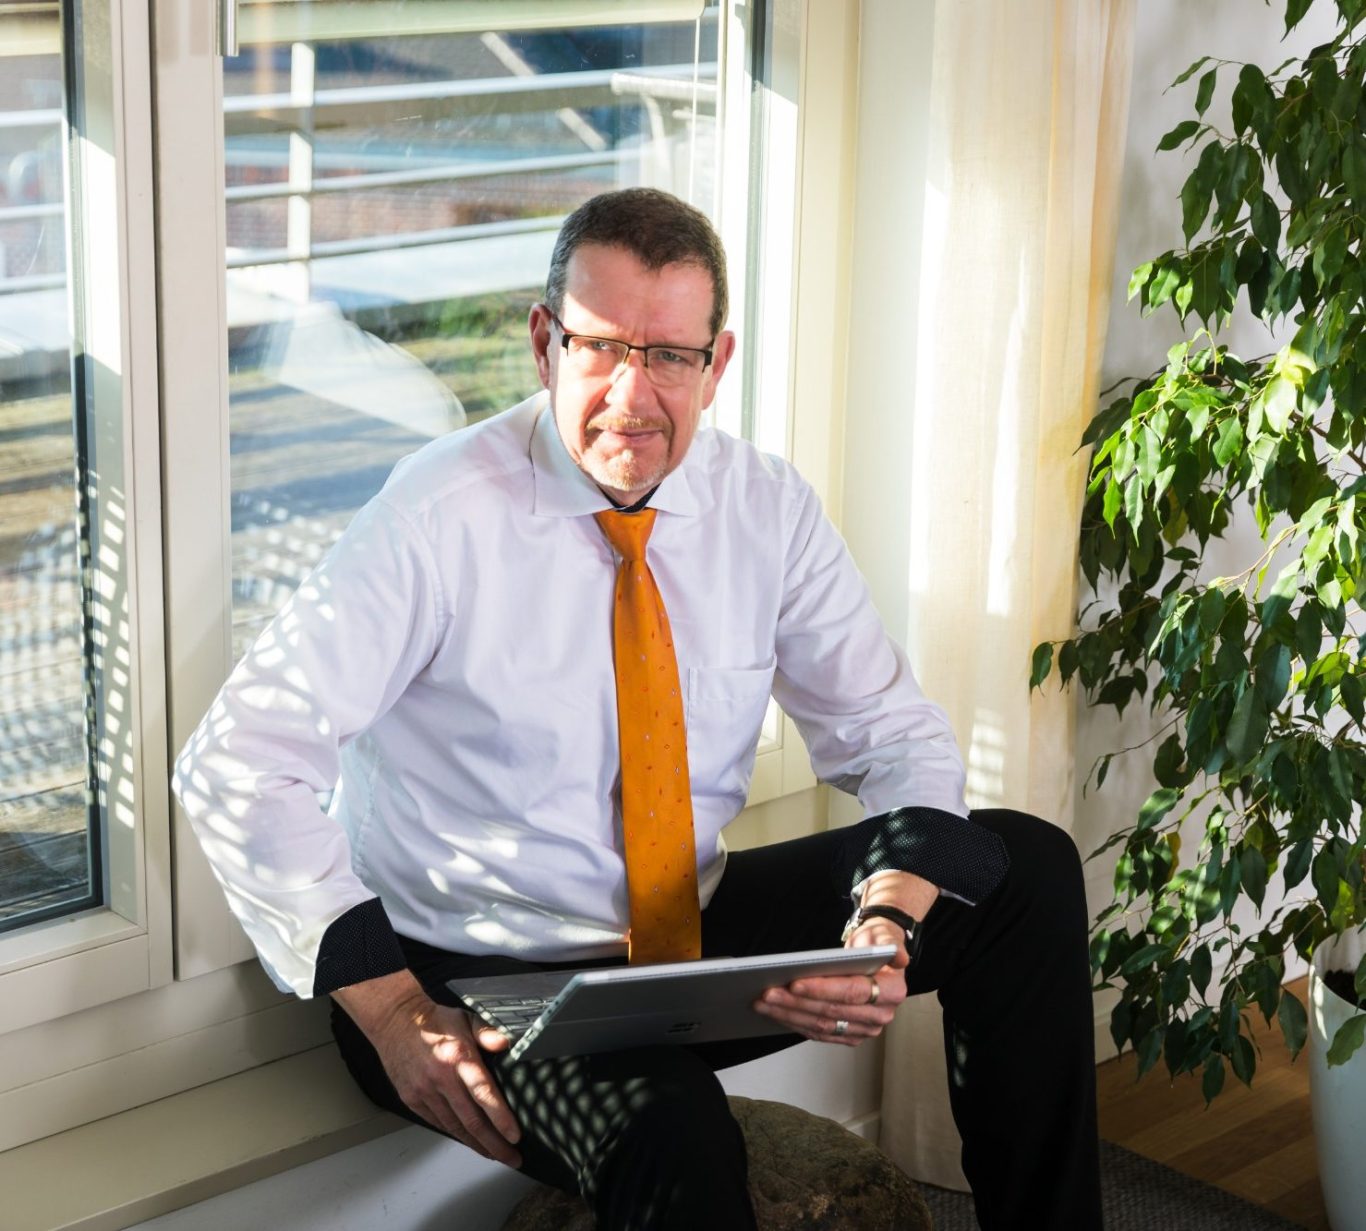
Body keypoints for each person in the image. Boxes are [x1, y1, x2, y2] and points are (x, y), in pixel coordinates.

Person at [174, 187, 1101, 1230]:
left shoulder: (765, 507)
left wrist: (886, 922)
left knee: (1022, 870)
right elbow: (236, 759)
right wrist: (391, 1010)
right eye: (602, 347)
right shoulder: (435, 515)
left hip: (679, 940)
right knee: (673, 1128)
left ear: (716, 362)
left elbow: (893, 735)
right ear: (545, 344)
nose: (633, 392)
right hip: (474, 974)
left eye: (667, 355)